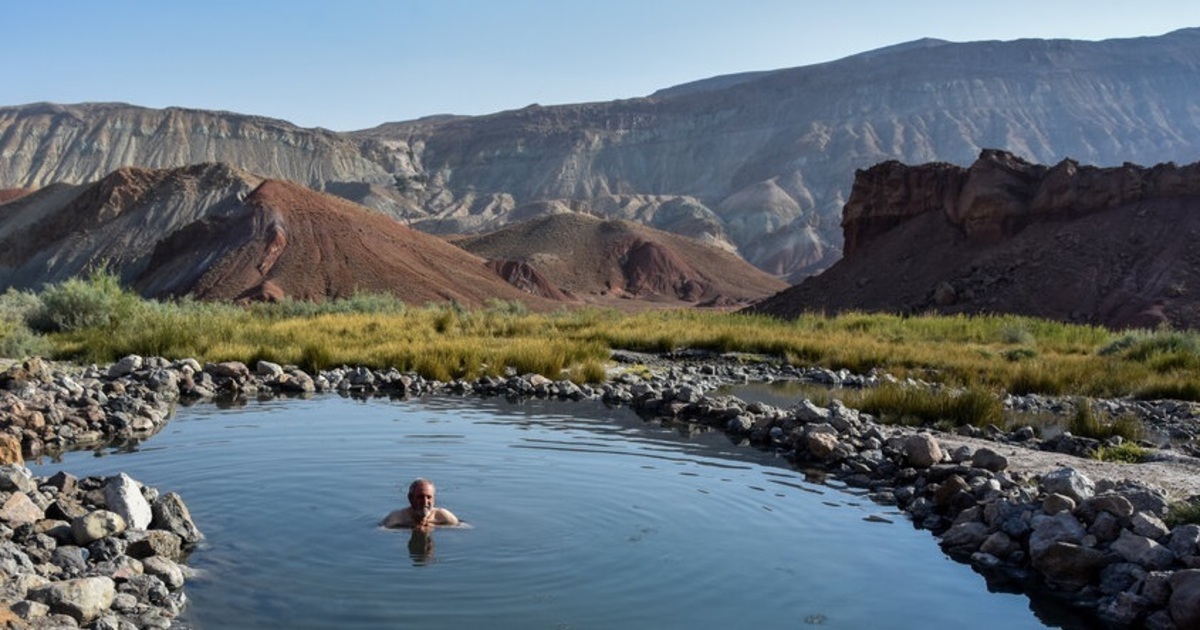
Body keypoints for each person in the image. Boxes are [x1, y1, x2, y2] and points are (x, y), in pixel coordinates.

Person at [382, 478, 460, 529]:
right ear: (410, 498)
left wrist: (434, 527)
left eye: (429, 497)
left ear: (434, 499)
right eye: (420, 497)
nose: (425, 502)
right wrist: (411, 528)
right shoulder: (397, 517)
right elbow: (381, 531)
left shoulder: (442, 515)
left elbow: (464, 528)